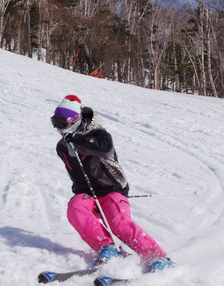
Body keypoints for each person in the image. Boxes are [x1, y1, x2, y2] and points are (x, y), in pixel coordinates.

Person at [50, 94, 174, 272]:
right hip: (88, 192)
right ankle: (107, 247)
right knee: (75, 207)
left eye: (62, 122)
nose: (58, 128)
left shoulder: (99, 134)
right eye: (55, 122)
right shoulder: (62, 146)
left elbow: (104, 149)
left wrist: (76, 140)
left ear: (75, 120)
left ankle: (157, 256)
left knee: (118, 222)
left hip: (112, 188)